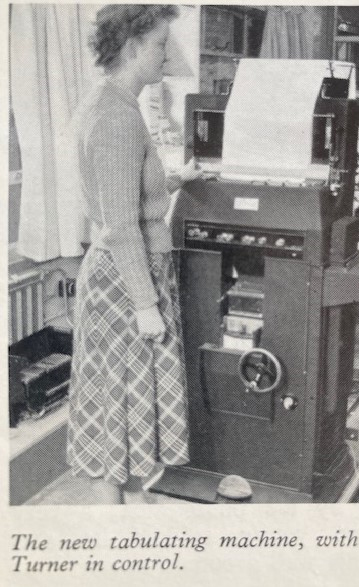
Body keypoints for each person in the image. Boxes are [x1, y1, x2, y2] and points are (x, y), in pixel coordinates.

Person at [67, 5, 200, 504]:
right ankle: (112, 528)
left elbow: (123, 195)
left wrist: (172, 180)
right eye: (162, 44)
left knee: (128, 396)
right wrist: (146, 304)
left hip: (132, 273)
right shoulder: (115, 117)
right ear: (134, 46)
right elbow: (121, 224)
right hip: (125, 282)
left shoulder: (114, 105)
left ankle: (132, 501)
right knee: (117, 401)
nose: (167, 56)